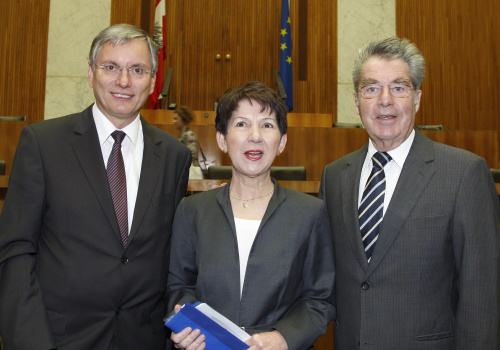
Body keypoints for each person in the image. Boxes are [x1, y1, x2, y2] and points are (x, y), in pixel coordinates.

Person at [0, 24, 191, 350]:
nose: (123, 81)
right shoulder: (43, 144)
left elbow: (171, 257)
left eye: (137, 70)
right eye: (111, 67)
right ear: (91, 73)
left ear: (152, 81)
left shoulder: (175, 157)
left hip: (142, 340)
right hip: (59, 339)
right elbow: (15, 252)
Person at [319, 36, 499, 349]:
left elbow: (481, 294)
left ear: (416, 98)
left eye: (399, 87)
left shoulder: (464, 173)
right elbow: (325, 280)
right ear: (357, 100)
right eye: (371, 88)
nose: (384, 100)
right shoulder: (335, 176)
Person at [167, 81, 335, 350]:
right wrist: (190, 326)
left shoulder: (311, 213)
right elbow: (178, 284)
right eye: (242, 124)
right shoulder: (192, 211)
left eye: (267, 125)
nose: (255, 135)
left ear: (282, 142)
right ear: (222, 139)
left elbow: (321, 299)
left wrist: (284, 337)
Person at [173, 106, 204, 179]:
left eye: (176, 118)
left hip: (191, 171)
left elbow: (191, 154)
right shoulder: (183, 135)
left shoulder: (190, 135)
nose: (173, 121)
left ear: (182, 119)